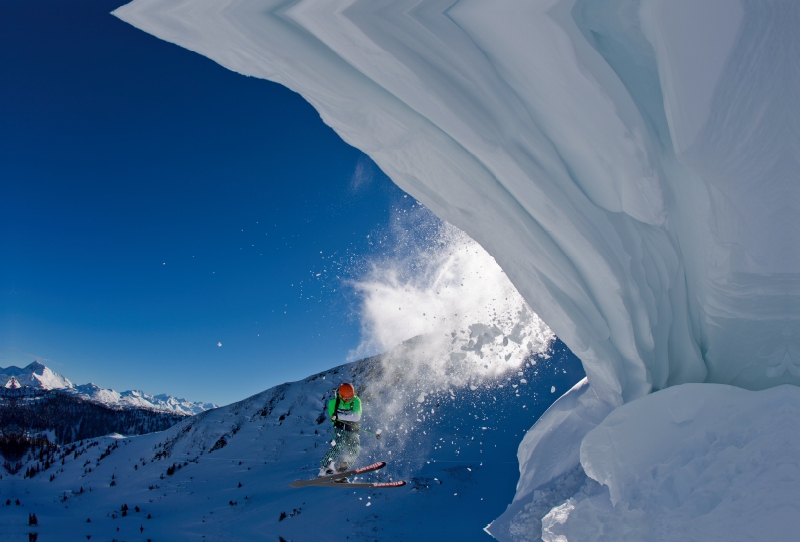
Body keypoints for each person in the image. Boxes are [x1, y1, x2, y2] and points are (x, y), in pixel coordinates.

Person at [319, 382, 362, 478]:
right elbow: (333, 419)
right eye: (346, 398)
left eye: (350, 398)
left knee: (355, 450)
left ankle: (341, 469)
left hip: (352, 429)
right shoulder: (333, 403)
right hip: (339, 429)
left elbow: (356, 417)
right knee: (338, 444)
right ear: (341, 395)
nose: (348, 400)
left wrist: (339, 416)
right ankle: (325, 467)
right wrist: (337, 418)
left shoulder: (356, 401)